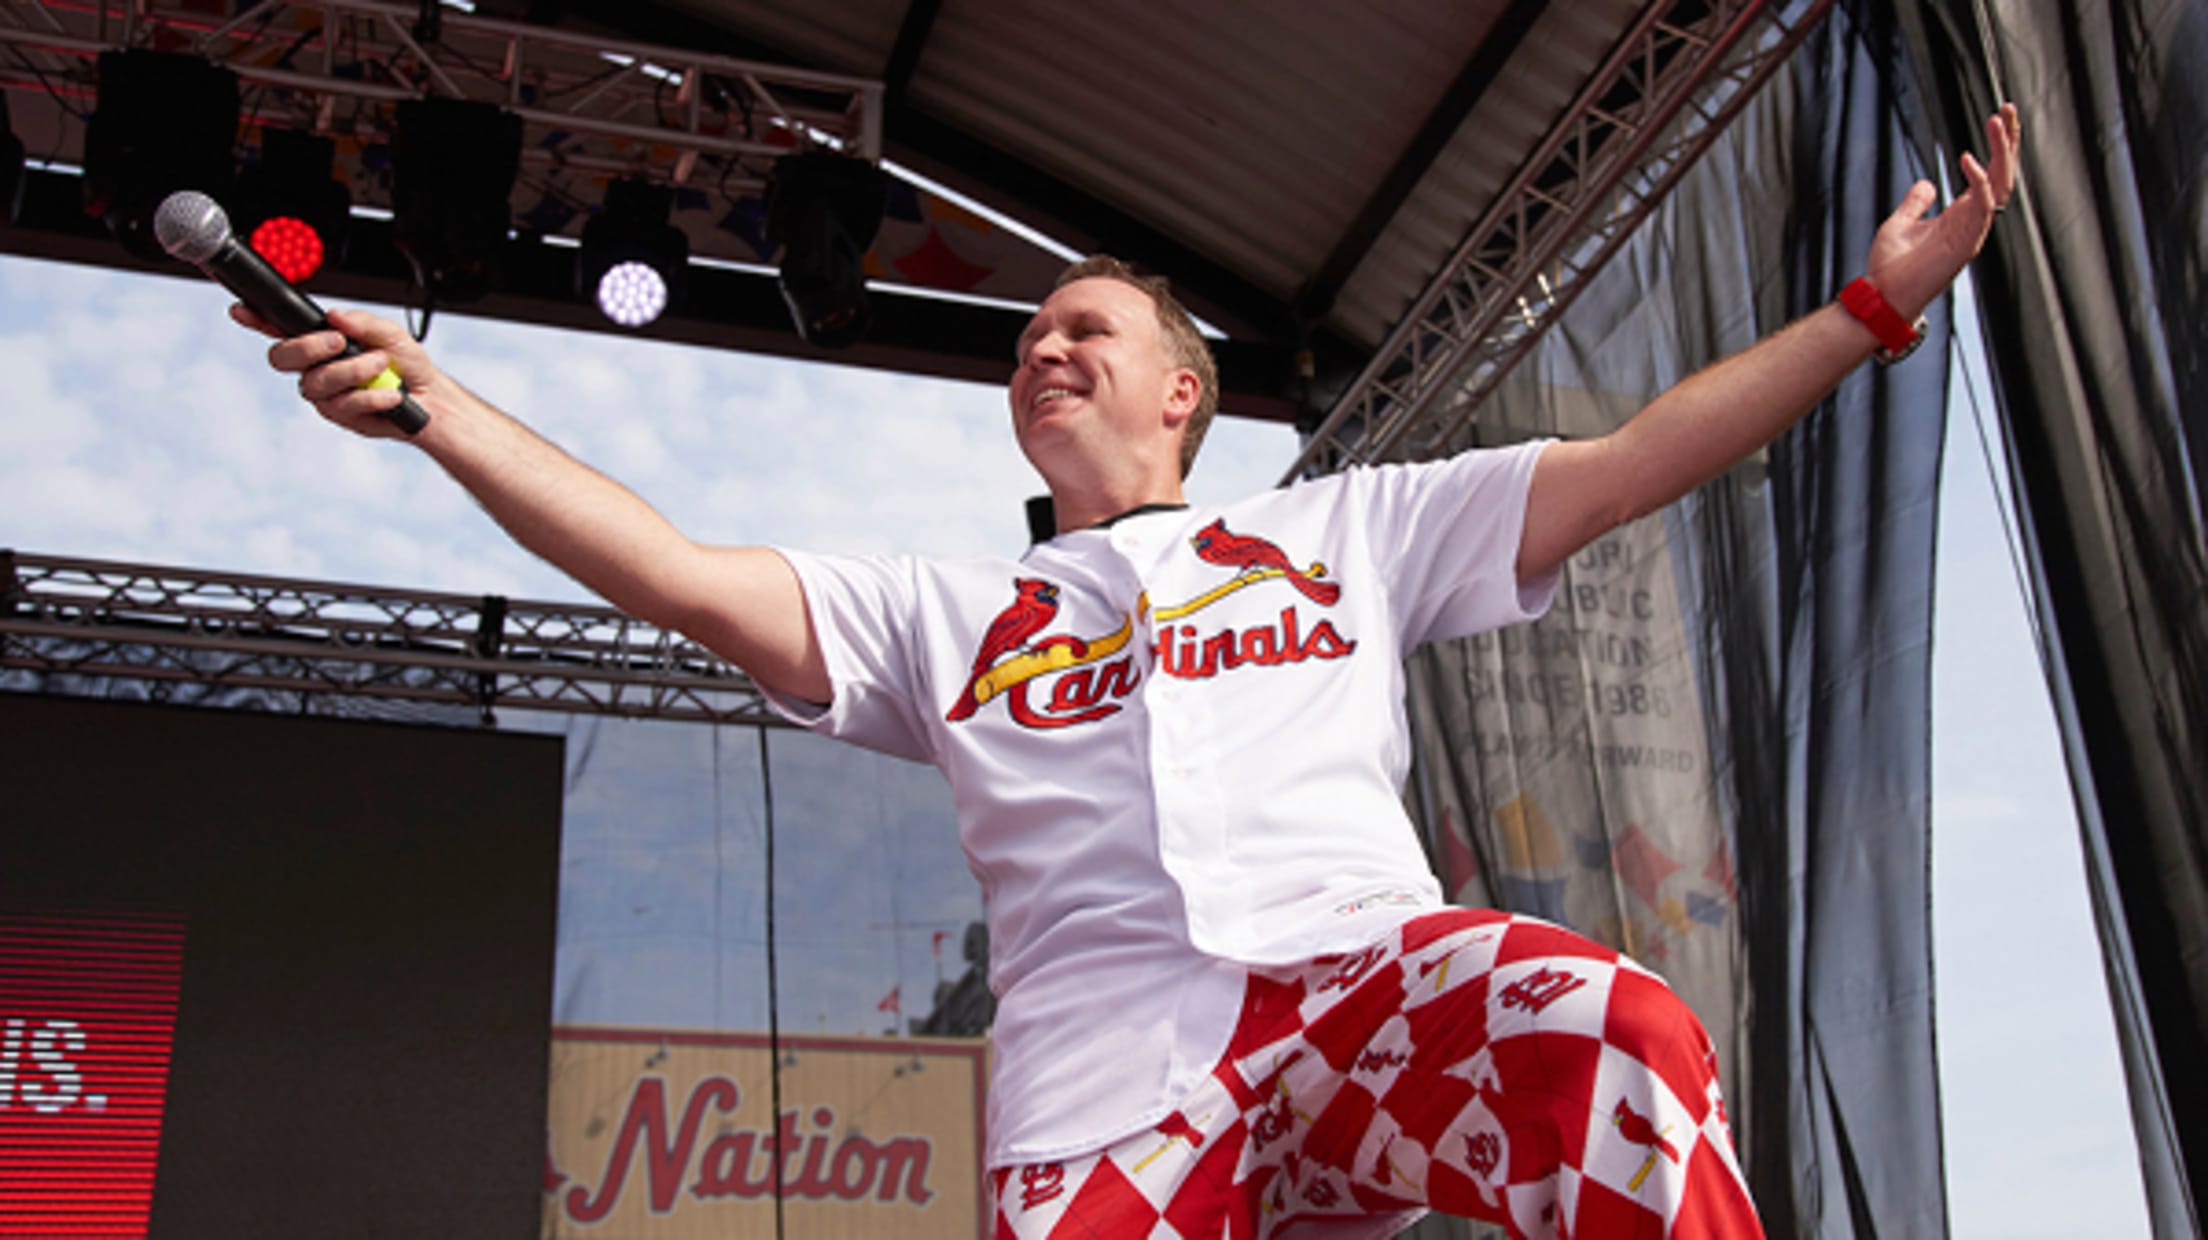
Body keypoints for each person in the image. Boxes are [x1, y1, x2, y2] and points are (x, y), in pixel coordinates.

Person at [242, 106, 2020, 1239]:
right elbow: (679, 575)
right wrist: (446, 413)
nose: (1043, 352)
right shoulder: (943, 615)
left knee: (1615, 1034)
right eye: (1026, 341)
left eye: (1081, 329)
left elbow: (1633, 462)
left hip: (1364, 990)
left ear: (1183, 392)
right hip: (1109, 1085)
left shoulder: (1349, 528)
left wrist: (1867, 312)